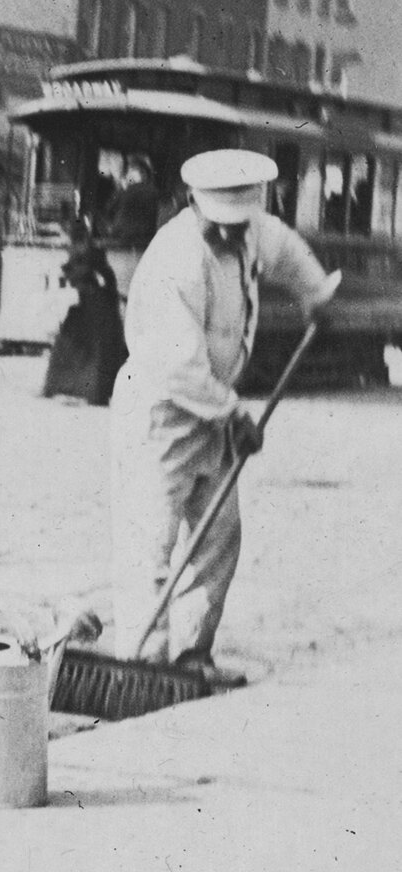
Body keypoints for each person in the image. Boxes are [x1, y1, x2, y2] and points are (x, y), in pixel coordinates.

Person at [107, 146, 339, 680]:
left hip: (213, 415)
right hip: (160, 414)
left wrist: (316, 293)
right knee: (151, 541)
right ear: (195, 204)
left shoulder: (252, 230)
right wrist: (234, 414)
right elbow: (178, 363)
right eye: (223, 226)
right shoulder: (175, 259)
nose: (233, 236)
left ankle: (192, 651)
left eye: (241, 226)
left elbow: (285, 249)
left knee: (218, 535)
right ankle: (140, 666)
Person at [41, 217, 124, 404]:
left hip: (83, 302)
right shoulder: (93, 249)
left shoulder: (78, 250)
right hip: (94, 300)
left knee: (72, 345)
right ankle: (94, 390)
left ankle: (63, 385)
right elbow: (106, 275)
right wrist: (111, 295)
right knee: (96, 349)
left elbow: (80, 272)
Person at [108, 154, 160, 251]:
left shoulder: (125, 192)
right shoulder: (155, 192)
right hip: (147, 242)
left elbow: (109, 210)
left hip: (122, 242)